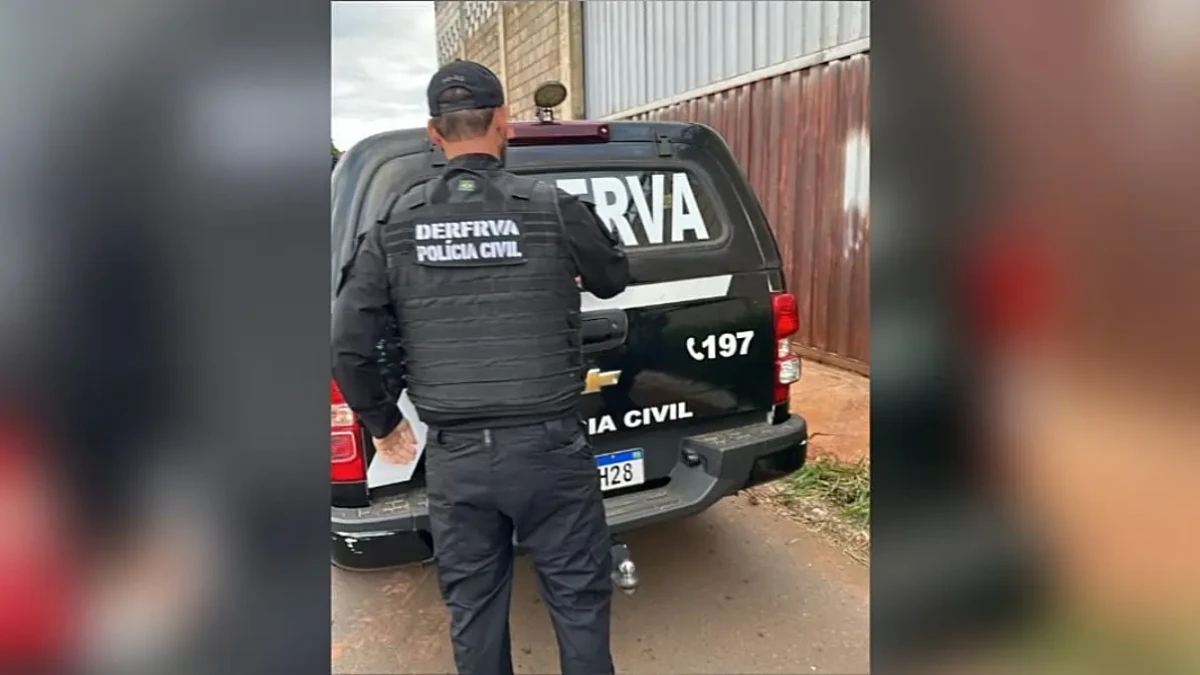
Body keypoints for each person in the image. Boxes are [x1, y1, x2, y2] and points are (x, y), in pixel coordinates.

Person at [331, 59, 629, 675]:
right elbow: (611, 278)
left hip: (457, 458)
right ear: (504, 122)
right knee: (578, 601)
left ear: (433, 133)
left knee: (474, 609)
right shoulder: (551, 207)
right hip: (550, 450)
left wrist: (383, 423)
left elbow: (347, 344)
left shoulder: (395, 222)